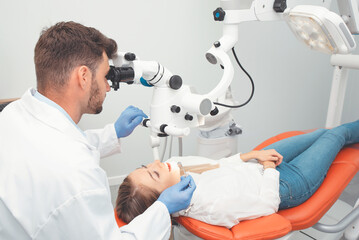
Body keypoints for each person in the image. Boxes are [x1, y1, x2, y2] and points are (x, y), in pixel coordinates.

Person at [0, 21, 195, 240]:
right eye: (105, 76)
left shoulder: (13, 113)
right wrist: (161, 208)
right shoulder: (79, 177)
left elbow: (53, 145)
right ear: (83, 77)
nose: (109, 86)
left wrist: (114, 133)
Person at [116, 119, 359, 228]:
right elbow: (268, 202)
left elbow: (218, 166)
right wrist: (268, 169)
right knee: (337, 135)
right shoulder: (211, 205)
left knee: (323, 132)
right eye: (154, 175)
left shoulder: (179, 172)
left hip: (256, 165)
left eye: (146, 167)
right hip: (285, 183)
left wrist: (250, 156)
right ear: (165, 198)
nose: (156, 164)